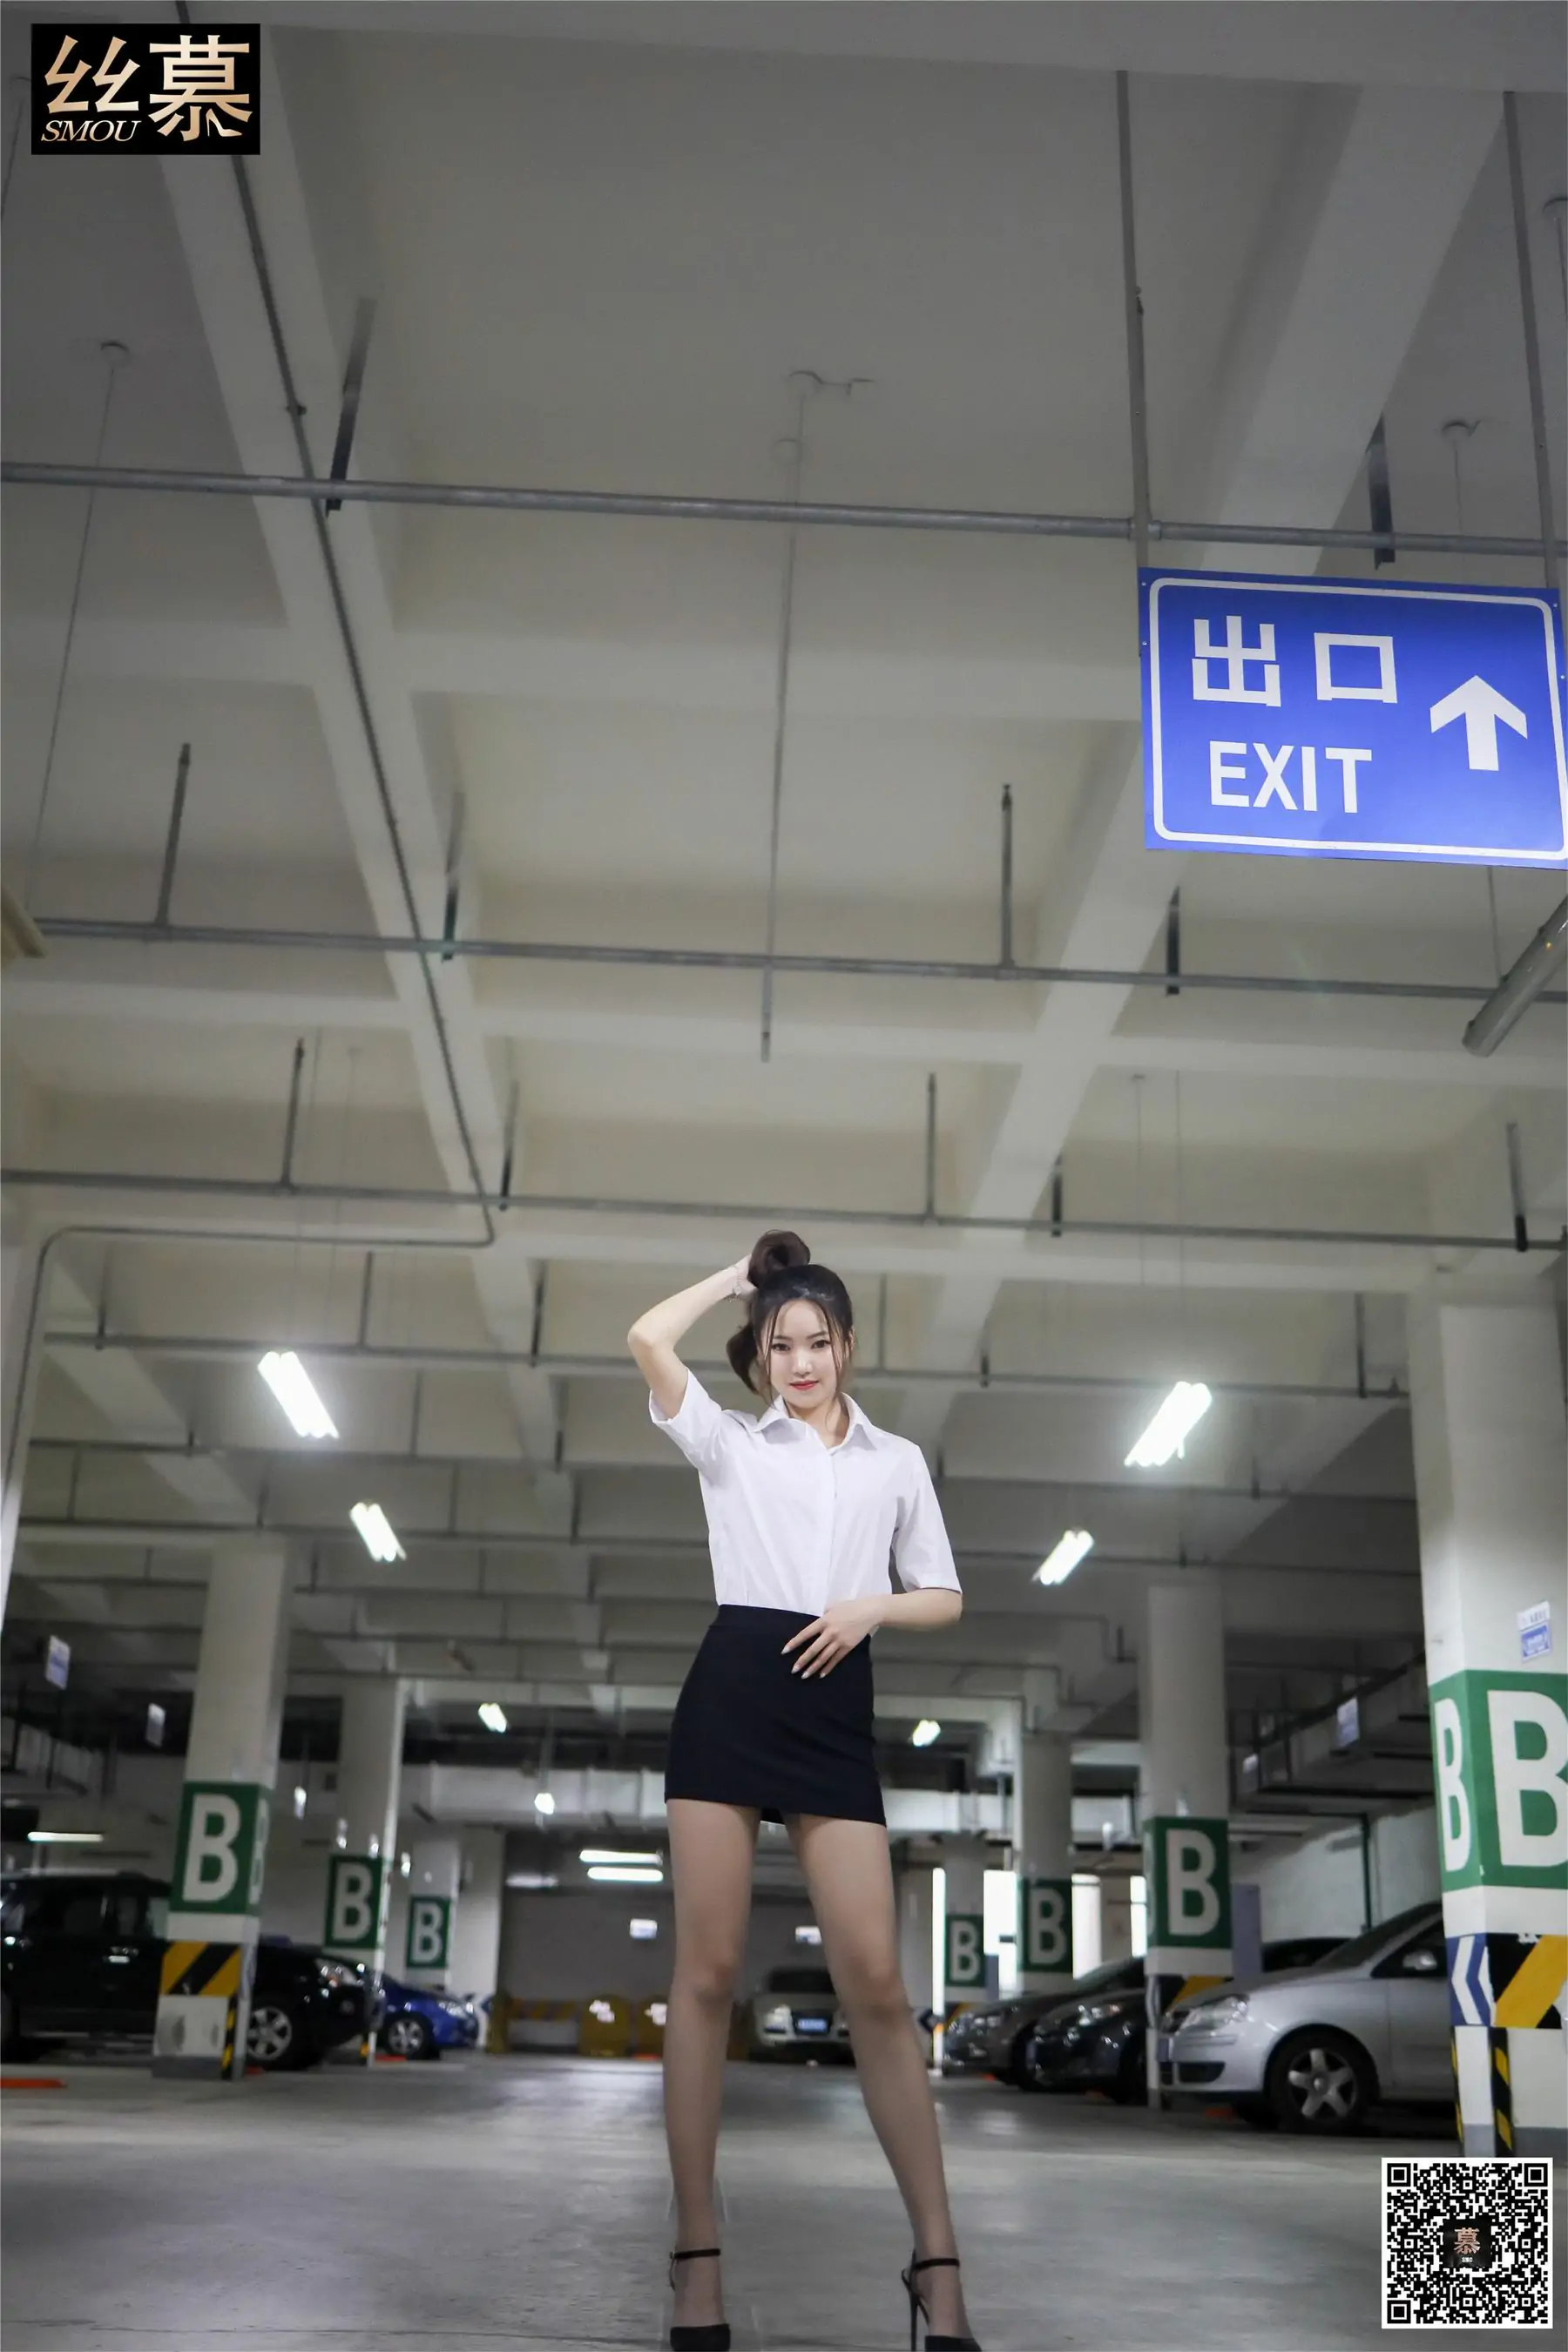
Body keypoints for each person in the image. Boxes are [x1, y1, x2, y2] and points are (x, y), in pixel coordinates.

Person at [628, 1230, 982, 2352]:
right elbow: (645, 1337)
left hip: (833, 1702)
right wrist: (741, 1280)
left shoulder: (895, 1461)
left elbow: (944, 1594)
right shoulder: (729, 1444)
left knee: (876, 1980)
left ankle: (938, 2261)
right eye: (780, 1344)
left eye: (817, 1341)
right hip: (733, 1692)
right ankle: (696, 2258)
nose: (800, 1362)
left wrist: (869, 1606)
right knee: (707, 1974)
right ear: (762, 1353)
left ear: (848, 1347)